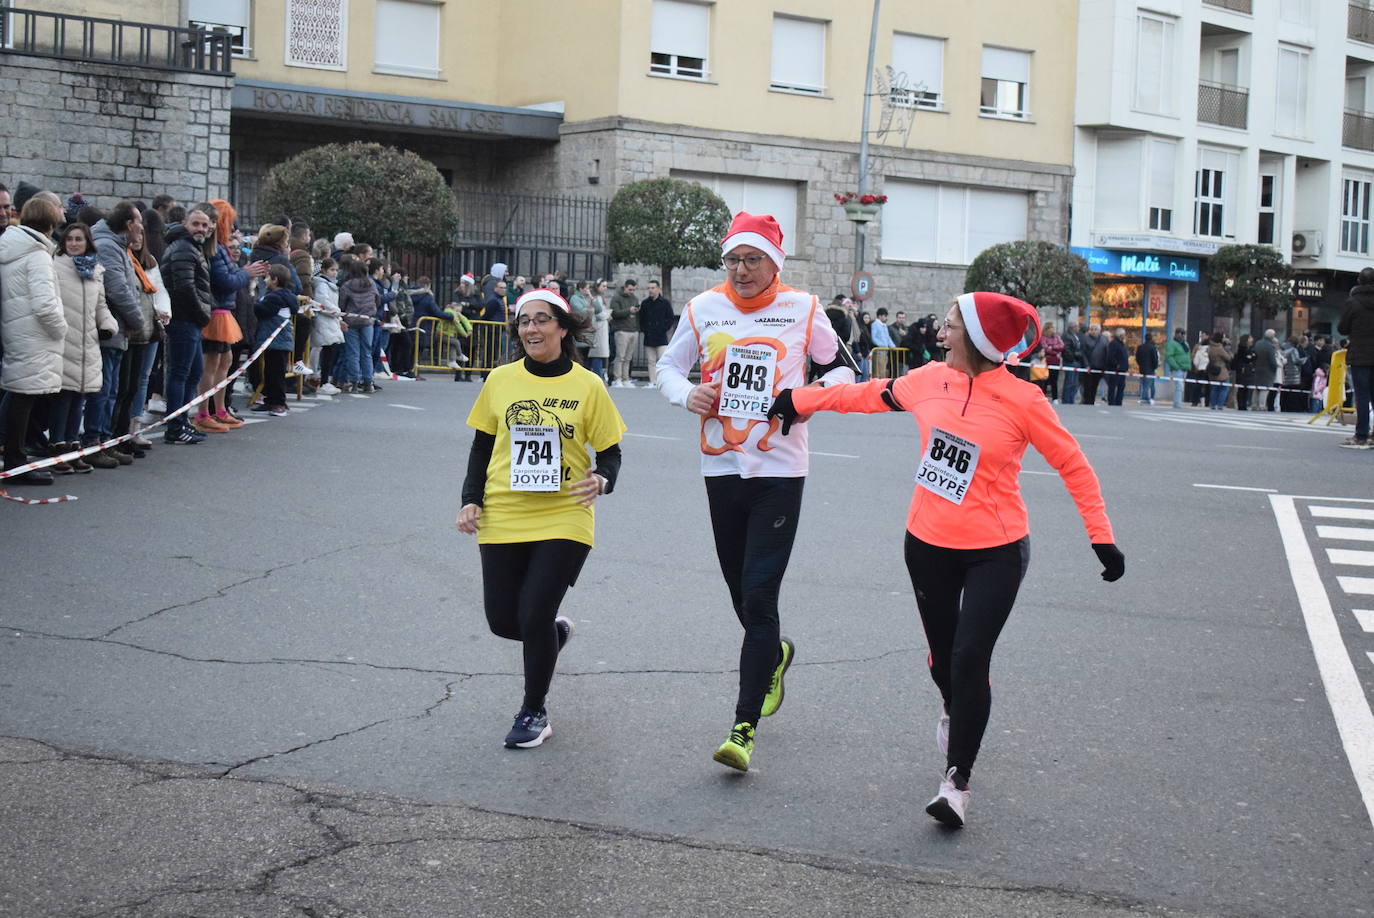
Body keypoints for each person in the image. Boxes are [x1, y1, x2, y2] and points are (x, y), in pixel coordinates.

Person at [768, 291, 1124, 828]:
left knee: (969, 658)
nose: (941, 332)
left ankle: (956, 781)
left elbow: (1074, 466)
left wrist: (1101, 537)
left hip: (997, 551)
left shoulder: (1024, 401)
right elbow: (865, 395)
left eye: (951, 325)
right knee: (943, 659)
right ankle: (955, 708)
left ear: (977, 338)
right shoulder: (928, 380)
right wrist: (798, 401)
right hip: (928, 544)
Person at [655, 211, 857, 772]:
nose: (742, 270)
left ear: (775, 263)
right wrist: (686, 394)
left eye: (753, 260)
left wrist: (800, 399)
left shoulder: (804, 309)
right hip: (720, 469)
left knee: (760, 593)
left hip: (780, 470)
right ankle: (775, 655)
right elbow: (667, 368)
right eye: (733, 260)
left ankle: (742, 728)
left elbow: (843, 371)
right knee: (740, 593)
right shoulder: (702, 309)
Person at [455, 289, 626, 748]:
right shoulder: (501, 380)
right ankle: (553, 635)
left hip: (565, 512)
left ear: (563, 328)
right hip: (505, 510)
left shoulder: (588, 385)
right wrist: (471, 499)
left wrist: (603, 480)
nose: (530, 328)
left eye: (541, 320)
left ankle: (534, 711)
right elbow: (482, 446)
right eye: (524, 321)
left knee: (533, 614)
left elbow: (610, 451)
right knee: (503, 622)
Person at [0, 197, 67, 484]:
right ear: (50, 224)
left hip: (17, 330)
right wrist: (61, 329)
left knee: (17, 395)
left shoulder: (13, 246)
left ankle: (14, 457)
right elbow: (44, 305)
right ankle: (15, 462)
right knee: (22, 398)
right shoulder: (37, 254)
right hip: (34, 335)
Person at [50, 221, 117, 473]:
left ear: (88, 242)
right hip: (64, 339)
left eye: (79, 239)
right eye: (70, 239)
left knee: (79, 397)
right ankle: (57, 447)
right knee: (63, 397)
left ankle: (72, 445)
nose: (74, 244)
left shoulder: (95, 270)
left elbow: (101, 305)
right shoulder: (55, 267)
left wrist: (109, 325)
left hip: (88, 341)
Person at [160, 207, 216, 444]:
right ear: (185, 224)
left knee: (192, 372)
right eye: (196, 224)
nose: (201, 229)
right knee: (180, 373)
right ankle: (175, 426)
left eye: (204, 225)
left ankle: (182, 421)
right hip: (183, 318)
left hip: (190, 319)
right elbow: (185, 287)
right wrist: (202, 312)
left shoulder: (192, 248)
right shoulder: (183, 248)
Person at [253, 264, 297, 416]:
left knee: (276, 374)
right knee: (270, 372)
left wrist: (253, 301)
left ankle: (278, 402)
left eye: (266, 277)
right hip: (278, 341)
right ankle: (270, 400)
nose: (264, 280)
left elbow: (261, 310)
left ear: (275, 280)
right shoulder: (285, 296)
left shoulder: (275, 298)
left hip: (276, 341)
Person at [1339, 268, 1374, 447]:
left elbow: (1343, 328)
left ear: (1359, 281)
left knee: (1362, 396)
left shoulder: (1353, 302)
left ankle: (1361, 434)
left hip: (1360, 354)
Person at [337, 257, 379, 394]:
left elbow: (341, 304)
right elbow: (377, 300)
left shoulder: (346, 286)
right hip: (367, 321)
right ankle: (368, 382)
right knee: (366, 352)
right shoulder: (371, 284)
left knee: (352, 352)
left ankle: (352, 382)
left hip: (351, 321)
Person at [638, 279, 674, 386]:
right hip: (649, 336)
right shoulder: (645, 303)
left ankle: (663, 381)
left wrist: (663, 328)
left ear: (658, 289)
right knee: (651, 361)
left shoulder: (665, 303)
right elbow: (641, 319)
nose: (650, 290)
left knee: (663, 361)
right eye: (649, 288)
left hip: (661, 337)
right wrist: (645, 330)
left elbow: (670, 318)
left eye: (653, 288)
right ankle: (652, 381)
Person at [609, 279, 639, 387]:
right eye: (630, 289)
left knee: (628, 358)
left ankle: (626, 379)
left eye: (634, 290)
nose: (632, 291)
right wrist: (628, 310)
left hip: (633, 330)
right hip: (621, 330)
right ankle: (618, 379)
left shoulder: (634, 298)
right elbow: (615, 313)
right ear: (625, 287)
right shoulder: (617, 298)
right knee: (620, 357)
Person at [1253, 328, 1281, 412]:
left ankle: (1254, 405)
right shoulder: (1270, 346)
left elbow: (1254, 355)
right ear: (1272, 336)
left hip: (1258, 368)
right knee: (1264, 389)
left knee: (1256, 388)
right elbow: (1272, 360)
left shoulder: (1258, 343)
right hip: (1267, 370)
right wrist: (1275, 367)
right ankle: (1261, 406)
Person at [1080, 323, 1107, 405]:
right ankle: (1086, 401)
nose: (1094, 331)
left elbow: (1106, 352)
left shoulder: (1103, 339)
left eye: (1096, 329)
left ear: (1099, 331)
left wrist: (1105, 366)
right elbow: (1083, 353)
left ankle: (1092, 401)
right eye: (1092, 329)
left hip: (1099, 367)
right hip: (1089, 366)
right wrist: (1086, 365)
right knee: (1087, 385)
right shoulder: (1086, 339)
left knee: (1095, 385)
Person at [1206, 333, 1233, 410]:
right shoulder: (1219, 348)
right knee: (1224, 387)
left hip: (1212, 368)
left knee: (1214, 388)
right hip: (1221, 370)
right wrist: (1227, 346)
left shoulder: (1210, 347)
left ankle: (1213, 404)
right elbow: (1228, 358)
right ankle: (1220, 404)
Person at [1165, 327, 1190, 409]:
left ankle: (1178, 402)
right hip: (1178, 368)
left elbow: (1187, 355)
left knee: (1181, 387)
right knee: (1179, 386)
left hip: (1184, 368)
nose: (1182, 336)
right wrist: (1175, 366)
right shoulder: (1172, 344)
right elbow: (1169, 356)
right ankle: (1177, 404)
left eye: (1183, 334)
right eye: (1181, 333)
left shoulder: (1185, 344)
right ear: (1176, 334)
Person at [1059, 321, 1083, 405]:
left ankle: (1071, 400)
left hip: (1076, 361)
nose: (1078, 328)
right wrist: (1073, 357)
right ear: (1073, 327)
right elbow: (1066, 349)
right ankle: (1066, 400)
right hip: (1070, 362)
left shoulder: (1076, 336)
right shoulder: (1067, 336)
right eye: (1077, 327)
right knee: (1069, 382)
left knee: (1074, 383)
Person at [1104, 328, 1129, 405]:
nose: (1124, 336)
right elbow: (1110, 356)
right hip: (1115, 370)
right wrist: (1116, 364)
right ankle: (1111, 402)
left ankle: (1119, 402)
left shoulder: (1122, 344)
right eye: (1123, 335)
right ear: (1119, 335)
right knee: (1112, 387)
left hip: (1122, 370)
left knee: (1121, 387)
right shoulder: (1114, 344)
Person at [1040, 323, 1063, 402]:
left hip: (1056, 361)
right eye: (1050, 328)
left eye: (1053, 328)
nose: (1052, 329)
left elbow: (1061, 346)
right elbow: (1045, 348)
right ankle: (1043, 396)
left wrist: (1052, 347)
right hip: (1047, 361)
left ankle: (1055, 398)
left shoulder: (1057, 337)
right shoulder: (1043, 338)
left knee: (1054, 380)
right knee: (1045, 379)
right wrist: (1055, 352)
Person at [1134, 331, 1159, 404]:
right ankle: (1146, 398)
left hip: (1142, 369)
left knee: (1144, 384)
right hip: (1150, 369)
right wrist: (1155, 367)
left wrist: (1140, 364)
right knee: (1148, 385)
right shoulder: (1152, 348)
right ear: (1151, 339)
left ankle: (1147, 398)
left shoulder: (1140, 347)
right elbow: (1155, 359)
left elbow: (1137, 357)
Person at [1233, 333, 1256, 411]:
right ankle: (1241, 404)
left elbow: (1254, 356)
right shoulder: (1242, 349)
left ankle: (1243, 404)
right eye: (1250, 338)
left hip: (1246, 371)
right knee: (1242, 388)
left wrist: (1252, 356)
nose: (1252, 340)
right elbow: (1247, 358)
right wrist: (1251, 356)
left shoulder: (1249, 349)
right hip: (1243, 371)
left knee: (1245, 388)